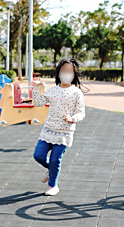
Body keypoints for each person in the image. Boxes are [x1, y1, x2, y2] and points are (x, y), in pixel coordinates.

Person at [32, 58, 87, 196]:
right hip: (49, 129)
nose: (66, 74)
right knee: (38, 155)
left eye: (69, 71)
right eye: (64, 71)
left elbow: (81, 112)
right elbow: (38, 102)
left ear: (74, 75)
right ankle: (50, 169)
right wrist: (35, 87)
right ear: (58, 74)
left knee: (56, 160)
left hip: (64, 132)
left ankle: (53, 185)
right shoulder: (53, 91)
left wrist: (72, 119)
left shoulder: (76, 93)